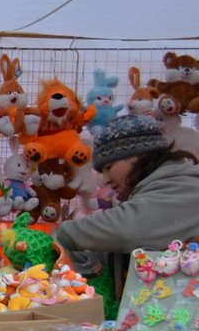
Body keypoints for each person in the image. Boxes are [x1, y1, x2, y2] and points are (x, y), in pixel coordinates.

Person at [56, 114, 199, 294]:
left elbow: (126, 229)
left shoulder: (184, 187)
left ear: (138, 155)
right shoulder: (151, 191)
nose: (106, 179)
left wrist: (61, 235)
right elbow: (119, 247)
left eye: (109, 167)